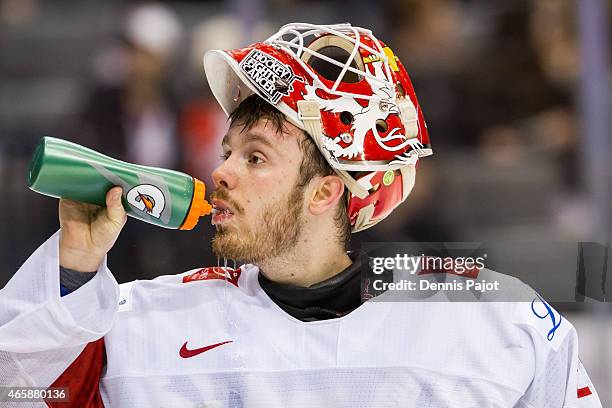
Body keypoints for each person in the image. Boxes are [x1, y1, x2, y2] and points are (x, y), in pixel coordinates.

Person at [0, 23, 601, 407]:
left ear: (326, 191)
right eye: (228, 152)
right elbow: (19, 393)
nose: (223, 173)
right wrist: (75, 267)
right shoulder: (140, 324)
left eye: (256, 157)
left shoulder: (498, 326)